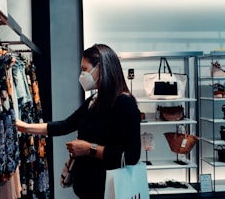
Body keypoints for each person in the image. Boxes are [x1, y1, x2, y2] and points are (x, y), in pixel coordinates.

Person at [16, 44, 141, 199]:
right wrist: (25, 127)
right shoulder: (95, 100)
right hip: (89, 190)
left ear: (100, 68)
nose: (82, 74)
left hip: (110, 192)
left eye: (85, 69)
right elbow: (65, 125)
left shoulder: (124, 102)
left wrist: (89, 148)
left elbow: (131, 156)